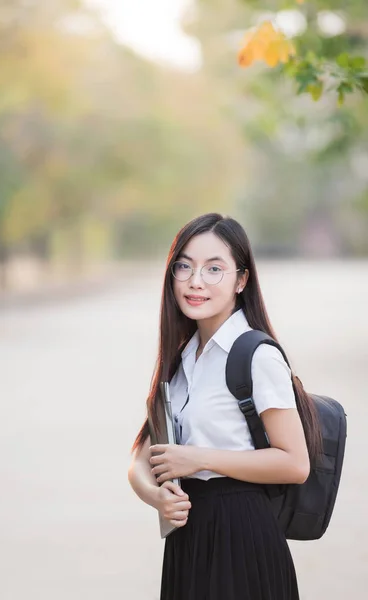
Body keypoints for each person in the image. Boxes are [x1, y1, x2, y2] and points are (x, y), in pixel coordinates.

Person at [128, 213, 320, 600]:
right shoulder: (182, 358)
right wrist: (156, 496)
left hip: (242, 538)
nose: (196, 281)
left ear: (241, 280)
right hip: (188, 539)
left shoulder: (256, 355)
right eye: (184, 266)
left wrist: (200, 458)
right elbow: (139, 460)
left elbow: (295, 463)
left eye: (214, 268)